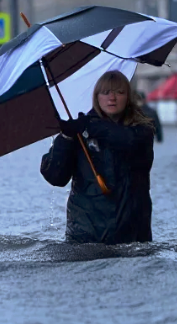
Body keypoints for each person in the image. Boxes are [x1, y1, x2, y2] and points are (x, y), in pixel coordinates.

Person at [40, 70, 156, 245]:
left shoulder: (142, 130)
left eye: (119, 92)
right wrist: (66, 138)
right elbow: (56, 177)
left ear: (128, 97)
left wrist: (91, 126)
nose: (112, 98)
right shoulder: (79, 132)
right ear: (96, 97)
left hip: (131, 233)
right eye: (106, 92)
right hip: (85, 234)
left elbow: (128, 141)